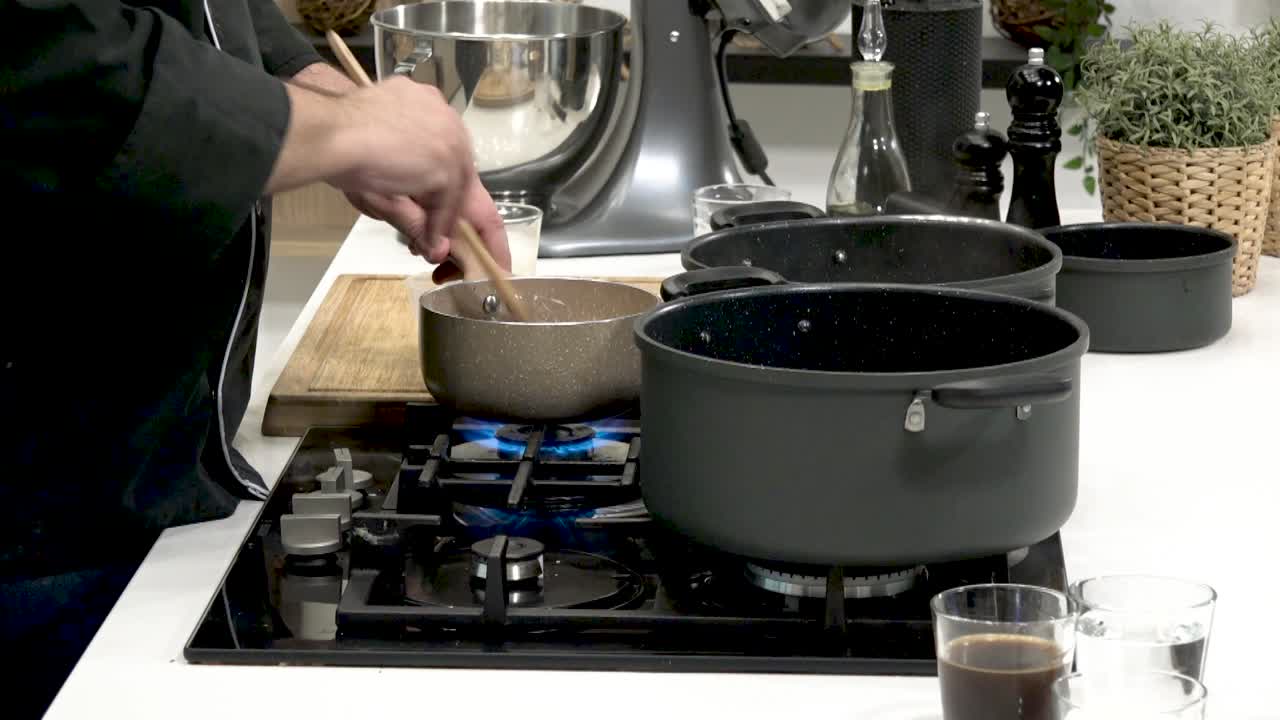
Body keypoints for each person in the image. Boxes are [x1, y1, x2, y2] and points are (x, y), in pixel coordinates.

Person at [1, 0, 510, 716]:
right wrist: (342, 128)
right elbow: (40, 58)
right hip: (31, 536)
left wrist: (314, 88)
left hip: (144, 487)